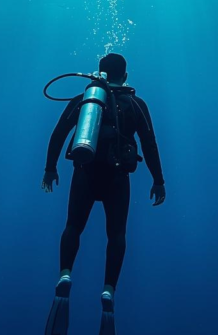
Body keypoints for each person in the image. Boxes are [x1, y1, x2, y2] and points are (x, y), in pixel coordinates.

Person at [41, 53, 166, 311]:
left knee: (73, 226)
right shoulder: (137, 104)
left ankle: (65, 273)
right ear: (126, 76)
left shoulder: (85, 101)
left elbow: (58, 134)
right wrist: (158, 180)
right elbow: (149, 144)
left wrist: (50, 168)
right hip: (117, 178)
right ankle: (108, 290)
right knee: (117, 234)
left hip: (85, 172)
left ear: (100, 73)